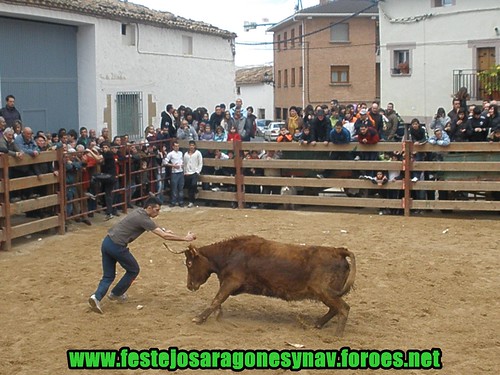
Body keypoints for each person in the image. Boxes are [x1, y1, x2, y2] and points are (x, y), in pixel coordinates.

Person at [88, 196, 196, 314]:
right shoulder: (143, 219)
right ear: (149, 208)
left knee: (108, 276)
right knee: (133, 270)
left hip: (107, 243)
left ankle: (96, 297)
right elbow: (164, 236)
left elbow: (151, 224)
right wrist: (185, 238)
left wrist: (163, 228)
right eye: (157, 210)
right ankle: (116, 293)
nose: (158, 213)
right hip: (117, 247)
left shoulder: (139, 212)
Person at [183, 140, 203, 208]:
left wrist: (198, 171)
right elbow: (185, 163)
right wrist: (185, 171)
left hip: (195, 172)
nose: (191, 147)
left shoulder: (198, 153)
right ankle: (191, 201)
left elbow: (200, 162)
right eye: (190, 145)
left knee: (193, 184)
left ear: (194, 146)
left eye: (192, 145)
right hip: (187, 172)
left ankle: (196, 192)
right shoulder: (186, 154)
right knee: (189, 188)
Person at [164, 141, 184, 207]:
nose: (177, 147)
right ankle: (173, 201)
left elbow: (182, 160)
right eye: (175, 146)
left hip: (180, 171)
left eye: (178, 146)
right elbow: (165, 162)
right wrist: (173, 165)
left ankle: (180, 201)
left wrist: (182, 165)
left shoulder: (180, 153)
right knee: (174, 188)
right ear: (173, 147)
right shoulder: (170, 154)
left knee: (180, 188)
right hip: (174, 172)